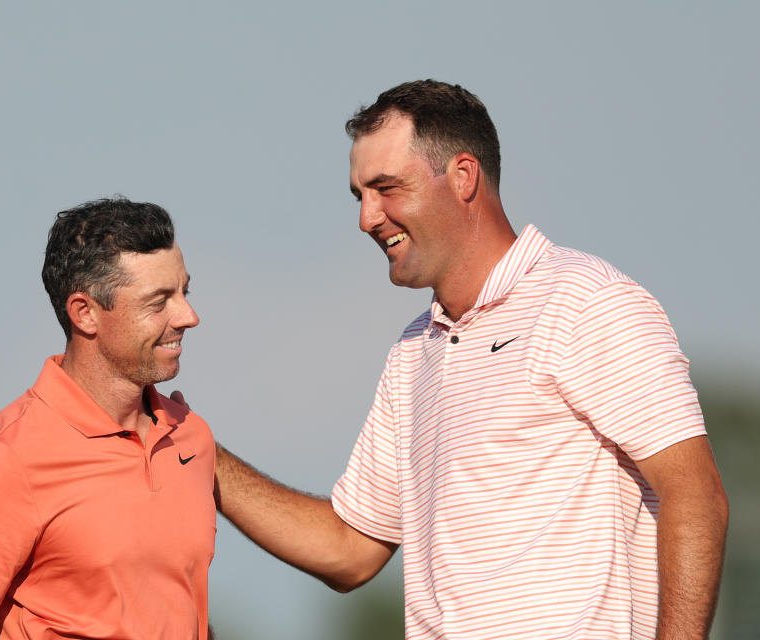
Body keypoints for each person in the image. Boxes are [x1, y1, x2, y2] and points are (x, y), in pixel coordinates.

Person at [214, 81, 728, 639]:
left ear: (463, 176)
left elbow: (695, 496)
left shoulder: (586, 301)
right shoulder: (414, 351)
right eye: (359, 195)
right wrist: (193, 450)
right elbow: (349, 549)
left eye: (387, 188)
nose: (367, 218)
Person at [0, 197, 215, 640]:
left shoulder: (192, 437)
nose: (188, 316)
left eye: (185, 292)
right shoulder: (0, 463)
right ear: (84, 313)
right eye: (159, 301)